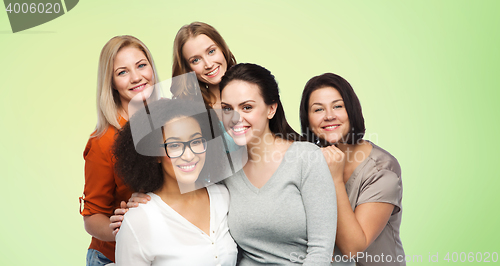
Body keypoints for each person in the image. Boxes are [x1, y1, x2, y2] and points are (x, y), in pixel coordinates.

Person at [219, 63, 337, 265]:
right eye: (227, 109)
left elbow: (321, 251)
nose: (235, 118)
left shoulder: (306, 158)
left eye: (247, 107)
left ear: (271, 109)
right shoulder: (226, 169)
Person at [113, 98, 237, 265]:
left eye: (196, 141)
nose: (189, 155)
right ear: (154, 154)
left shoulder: (223, 197)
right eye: (175, 145)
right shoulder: (138, 220)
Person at [299, 73, 405, 265]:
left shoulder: (382, 169)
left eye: (338, 106)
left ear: (352, 110)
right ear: (308, 119)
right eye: (318, 109)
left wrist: (335, 179)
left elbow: (352, 248)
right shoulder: (310, 160)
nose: (329, 116)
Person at [80, 35, 160, 265]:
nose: (137, 77)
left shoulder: (169, 122)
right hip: (113, 258)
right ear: (111, 82)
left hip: (158, 252)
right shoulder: (103, 140)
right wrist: (122, 226)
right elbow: (92, 218)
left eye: (141, 65)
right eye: (122, 72)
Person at [172, 21, 237, 108]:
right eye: (196, 60)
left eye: (211, 51)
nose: (209, 65)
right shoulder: (190, 112)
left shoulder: (257, 90)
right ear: (188, 69)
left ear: (222, 49)